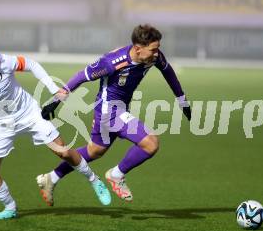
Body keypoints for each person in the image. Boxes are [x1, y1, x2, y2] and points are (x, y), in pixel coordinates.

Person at [0, 34, 111, 220]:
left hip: (29, 114)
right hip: (0, 124)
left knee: (63, 152)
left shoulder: (4, 61)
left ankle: (94, 180)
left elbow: (31, 64)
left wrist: (52, 89)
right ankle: (10, 208)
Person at [39, 24, 191, 203]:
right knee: (151, 143)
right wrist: (56, 101)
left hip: (118, 109)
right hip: (109, 112)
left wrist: (182, 99)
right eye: (153, 50)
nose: (157, 54)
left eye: (158, 49)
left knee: (94, 151)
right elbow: (81, 76)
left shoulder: (153, 56)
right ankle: (116, 175)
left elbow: (169, 73)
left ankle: (51, 178)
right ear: (137, 48)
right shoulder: (112, 62)